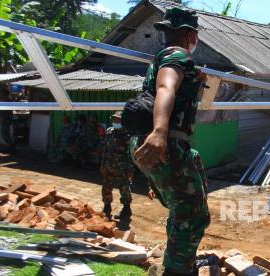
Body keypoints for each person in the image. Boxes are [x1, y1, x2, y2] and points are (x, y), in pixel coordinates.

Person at [129, 7, 210, 275]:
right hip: (163, 142)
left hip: (156, 144)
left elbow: (170, 84)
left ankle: (180, 263)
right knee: (192, 213)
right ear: (191, 34)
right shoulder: (178, 55)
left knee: (185, 207)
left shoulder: (165, 58)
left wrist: (195, 78)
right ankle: (177, 270)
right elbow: (166, 87)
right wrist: (160, 132)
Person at [100, 111, 135, 221]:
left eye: (117, 120)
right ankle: (107, 207)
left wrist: (131, 169)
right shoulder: (110, 132)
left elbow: (131, 154)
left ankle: (126, 209)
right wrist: (102, 164)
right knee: (106, 187)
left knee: (124, 188)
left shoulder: (128, 136)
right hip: (108, 166)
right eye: (114, 119)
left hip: (122, 168)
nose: (115, 121)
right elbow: (105, 149)